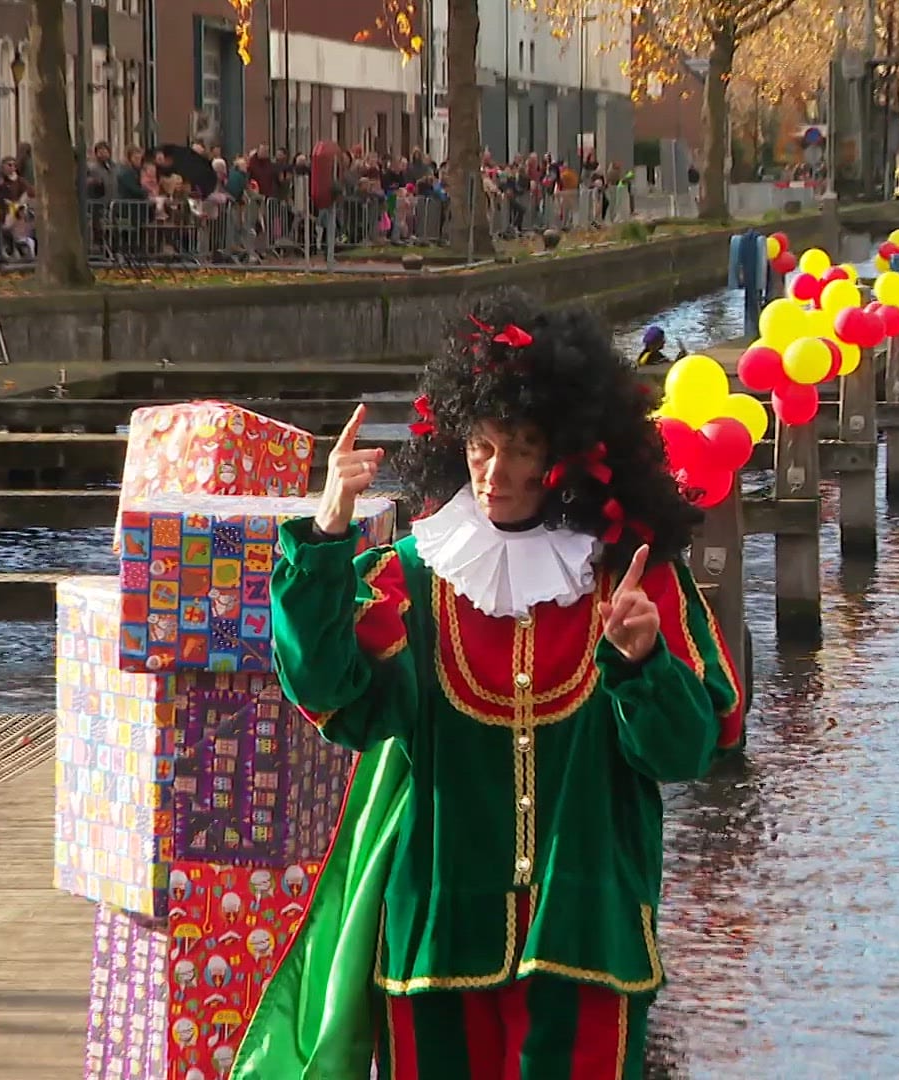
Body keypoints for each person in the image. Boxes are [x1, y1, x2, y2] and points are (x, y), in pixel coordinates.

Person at [240, 291, 744, 1079]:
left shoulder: (633, 582)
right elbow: (329, 692)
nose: (495, 471)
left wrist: (643, 665)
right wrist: (330, 528)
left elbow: (691, 750)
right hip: (436, 942)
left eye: (520, 447)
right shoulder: (413, 576)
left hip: (589, 937)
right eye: (480, 446)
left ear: (564, 453)